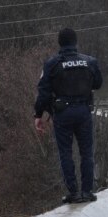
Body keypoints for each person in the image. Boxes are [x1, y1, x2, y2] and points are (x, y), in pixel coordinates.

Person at [34, 28, 103, 204]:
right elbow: (98, 83)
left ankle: (73, 192)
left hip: (62, 113)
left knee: (65, 153)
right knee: (86, 152)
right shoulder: (89, 61)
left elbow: (43, 92)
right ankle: (87, 192)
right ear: (75, 42)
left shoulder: (52, 64)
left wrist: (39, 114)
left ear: (60, 43)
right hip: (84, 111)